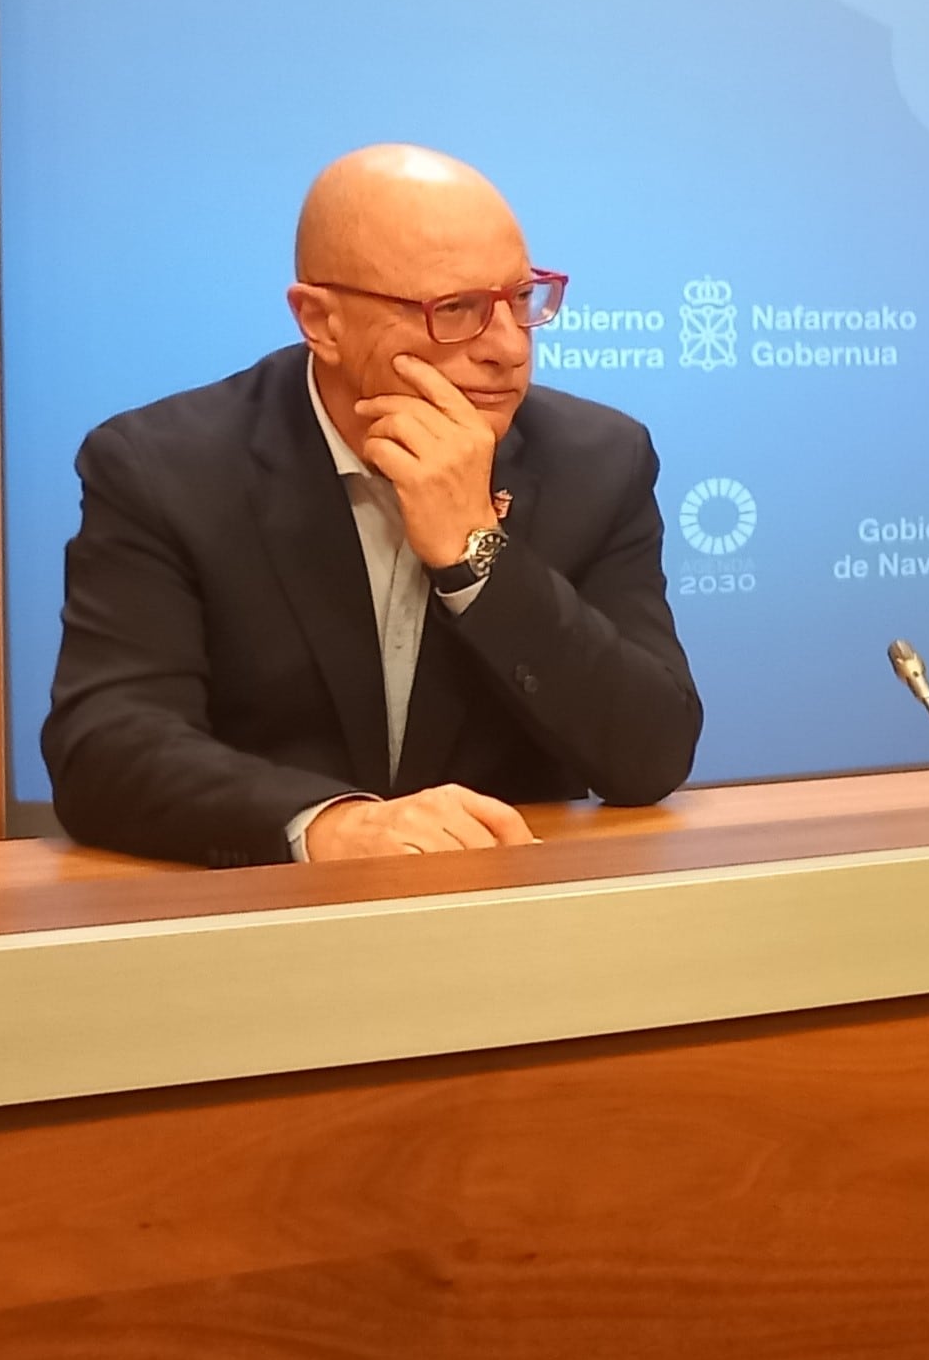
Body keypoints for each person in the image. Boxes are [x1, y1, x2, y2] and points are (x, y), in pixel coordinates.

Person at [43, 144, 704, 865]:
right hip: (261, 929)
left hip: (512, 919)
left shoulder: (598, 461)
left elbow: (651, 752)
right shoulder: (165, 468)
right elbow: (105, 747)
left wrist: (477, 550)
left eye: (521, 300)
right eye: (457, 309)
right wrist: (330, 825)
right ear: (321, 322)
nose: (510, 348)